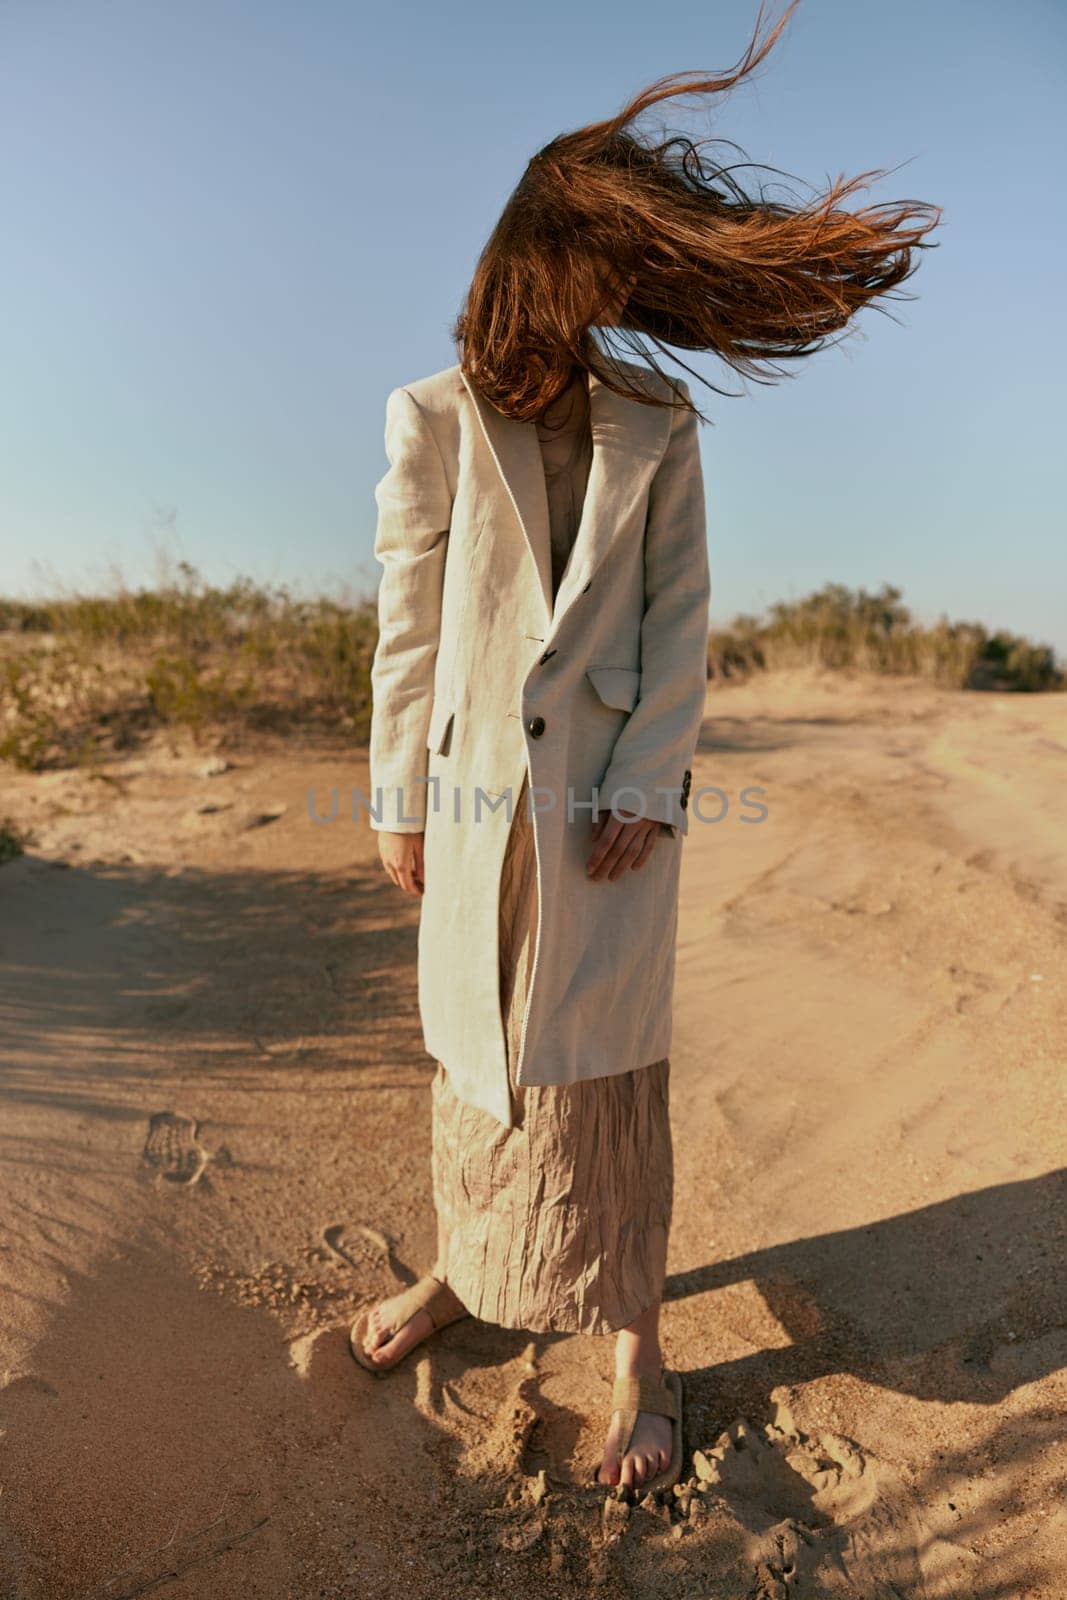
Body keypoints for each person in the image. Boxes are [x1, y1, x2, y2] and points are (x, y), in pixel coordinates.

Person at [351, 0, 941, 1496]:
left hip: (606, 813)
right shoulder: (430, 420)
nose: (606, 314)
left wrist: (646, 781)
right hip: (478, 800)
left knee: (606, 1080)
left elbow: (682, 620)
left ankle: (638, 1353)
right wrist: (396, 800)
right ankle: (458, 1277)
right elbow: (408, 627)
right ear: (536, 274)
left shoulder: (657, 421)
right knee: (476, 1065)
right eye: (596, 281)